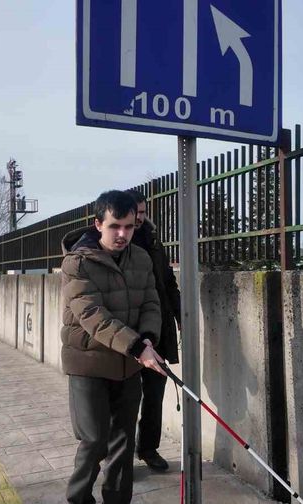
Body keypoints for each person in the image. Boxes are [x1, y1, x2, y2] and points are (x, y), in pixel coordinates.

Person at [60, 190, 167, 504]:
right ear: (98, 224)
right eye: (115, 226)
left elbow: (151, 301)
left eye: (130, 227)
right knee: (95, 441)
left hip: (128, 365)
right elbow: (92, 315)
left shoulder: (142, 257)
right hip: (88, 364)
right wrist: (137, 346)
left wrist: (148, 336)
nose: (123, 234)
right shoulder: (76, 263)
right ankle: (78, 498)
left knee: (123, 443)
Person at [126, 189, 181, 472]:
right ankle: (120, 457)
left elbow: (168, 281)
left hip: (158, 329)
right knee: (125, 398)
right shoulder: (117, 242)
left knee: (155, 393)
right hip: (128, 334)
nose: (139, 218)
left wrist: (180, 315)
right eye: (135, 212)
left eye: (143, 212)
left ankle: (148, 448)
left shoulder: (153, 239)